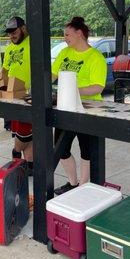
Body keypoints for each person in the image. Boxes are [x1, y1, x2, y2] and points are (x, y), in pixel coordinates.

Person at [52, 16, 107, 195]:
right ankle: (72, 182)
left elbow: (98, 86)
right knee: (60, 148)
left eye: (67, 34)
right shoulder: (64, 53)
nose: (64, 38)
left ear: (80, 33)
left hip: (89, 109)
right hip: (65, 107)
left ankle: (83, 186)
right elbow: (52, 74)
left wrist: (73, 90)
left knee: (87, 150)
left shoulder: (95, 57)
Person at [0, 16, 33, 175]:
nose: (11, 35)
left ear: (23, 29)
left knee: (26, 134)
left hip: (30, 97)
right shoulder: (10, 48)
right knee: (27, 134)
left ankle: (16, 155)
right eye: (9, 33)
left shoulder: (33, 43)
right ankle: (29, 166)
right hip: (13, 96)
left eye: (14, 31)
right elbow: (4, 71)